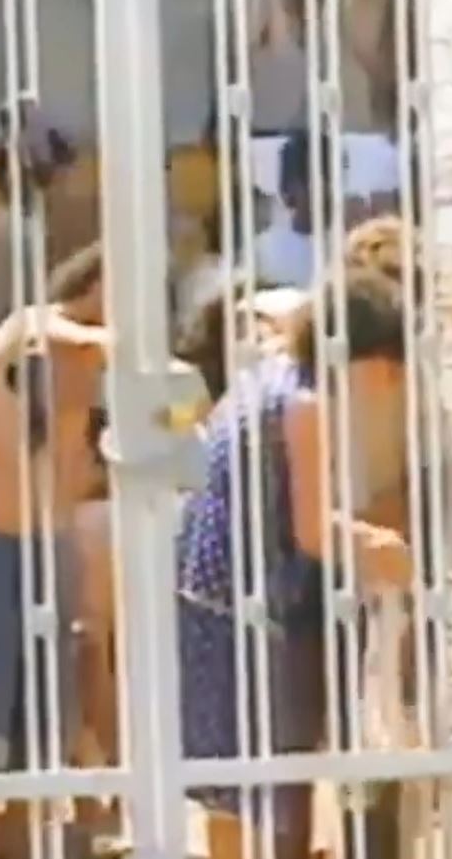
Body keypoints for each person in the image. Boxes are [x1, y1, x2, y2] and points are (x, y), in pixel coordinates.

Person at [176, 268, 414, 859]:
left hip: (206, 597)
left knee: (230, 790)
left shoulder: (264, 378)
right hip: (246, 613)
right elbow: (313, 531)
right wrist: (383, 549)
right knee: (269, 784)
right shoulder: (306, 406)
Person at [0, 245, 111, 856]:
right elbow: (43, 327)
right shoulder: (27, 332)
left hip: (51, 553)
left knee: (40, 735)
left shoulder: (91, 372)